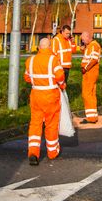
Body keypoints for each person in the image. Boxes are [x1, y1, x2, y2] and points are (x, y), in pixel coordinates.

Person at [24, 37, 65, 166]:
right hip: (51, 95)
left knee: (35, 124)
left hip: (36, 95)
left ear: (39, 47)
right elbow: (60, 77)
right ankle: (52, 152)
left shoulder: (30, 60)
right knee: (51, 124)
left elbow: (27, 78)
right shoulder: (53, 60)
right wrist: (63, 86)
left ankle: (33, 152)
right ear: (49, 47)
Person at [79, 31, 101, 124]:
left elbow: (93, 59)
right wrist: (83, 49)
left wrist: (85, 68)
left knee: (86, 94)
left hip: (89, 72)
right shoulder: (91, 45)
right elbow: (89, 56)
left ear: (88, 37)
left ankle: (91, 118)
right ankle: (93, 116)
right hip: (91, 72)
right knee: (91, 94)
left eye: (83, 40)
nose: (83, 42)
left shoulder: (93, 45)